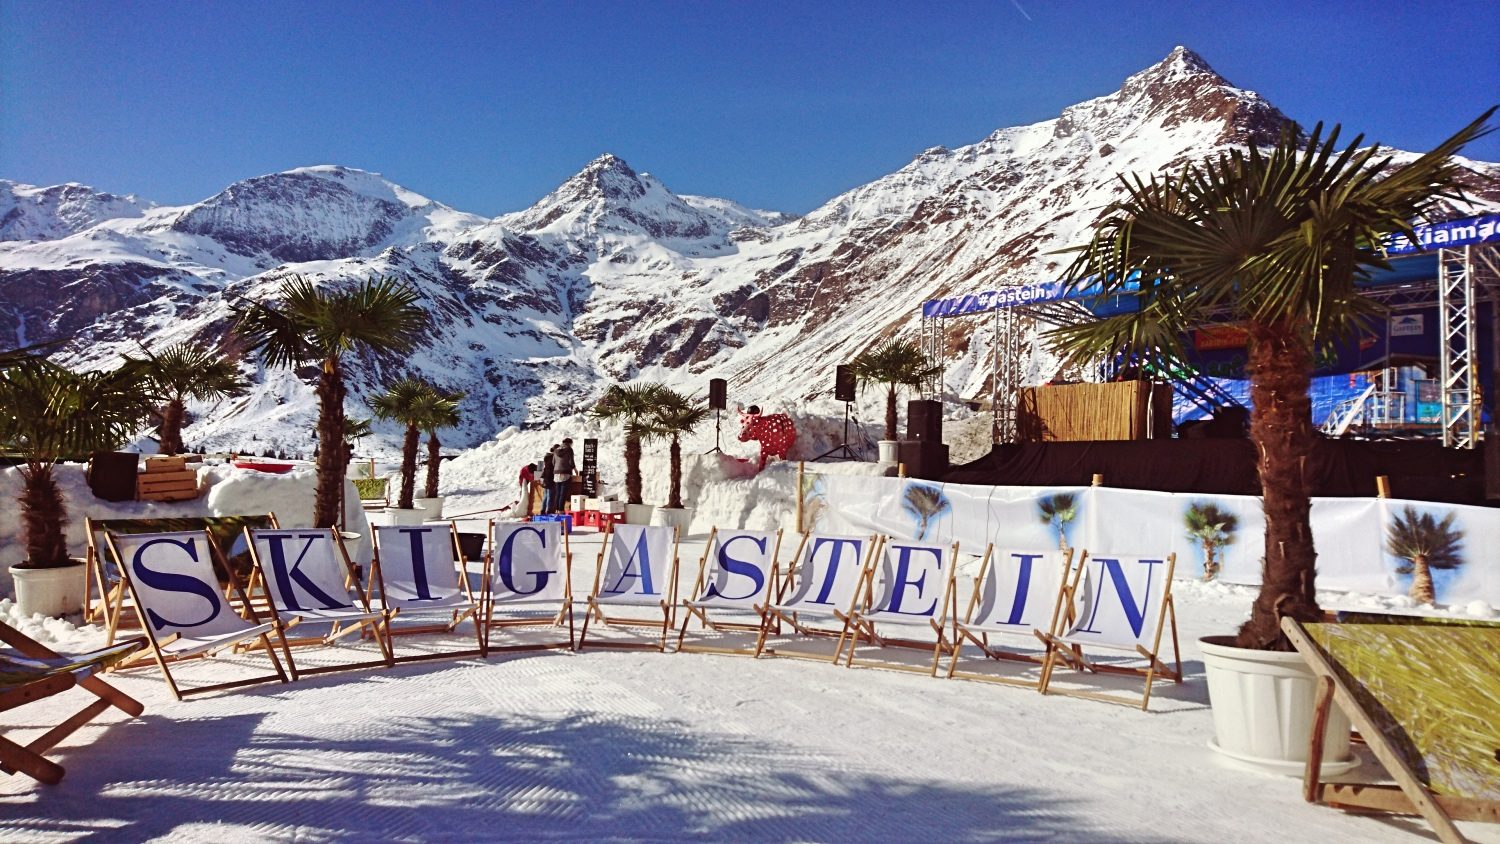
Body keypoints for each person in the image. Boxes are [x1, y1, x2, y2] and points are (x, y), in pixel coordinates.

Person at [553, 438, 576, 514]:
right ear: (569, 443)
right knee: (563, 493)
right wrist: (574, 469)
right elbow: (571, 461)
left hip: (556, 474)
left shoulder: (556, 450)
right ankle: (561, 510)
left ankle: (556, 510)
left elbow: (553, 462)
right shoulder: (569, 449)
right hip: (565, 472)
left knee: (558, 493)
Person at [540, 446, 557, 514]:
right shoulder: (553, 458)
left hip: (545, 478)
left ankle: (543, 510)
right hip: (550, 478)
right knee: (550, 496)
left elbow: (542, 466)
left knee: (546, 496)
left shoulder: (547, 457)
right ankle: (548, 511)